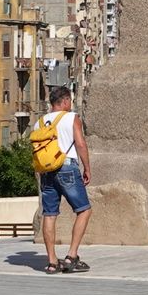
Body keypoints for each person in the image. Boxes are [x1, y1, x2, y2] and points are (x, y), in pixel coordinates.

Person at [38, 86, 91, 274]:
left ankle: (52, 262)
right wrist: (87, 168)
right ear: (66, 100)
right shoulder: (71, 117)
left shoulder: (40, 122)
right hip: (67, 167)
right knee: (84, 210)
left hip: (46, 172)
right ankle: (71, 256)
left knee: (49, 214)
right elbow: (81, 144)